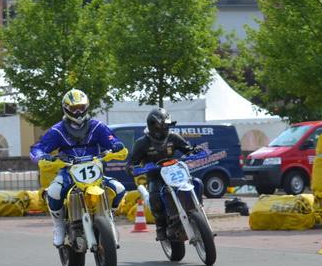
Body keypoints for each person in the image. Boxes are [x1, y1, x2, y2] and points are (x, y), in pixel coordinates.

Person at [30, 88, 127, 247]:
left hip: (95, 171)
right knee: (54, 192)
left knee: (119, 189)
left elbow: (112, 140)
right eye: (74, 108)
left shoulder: (97, 126)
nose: (78, 112)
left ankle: (108, 214)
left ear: (87, 107)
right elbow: (38, 148)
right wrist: (41, 156)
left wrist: (116, 145)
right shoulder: (57, 130)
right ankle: (59, 226)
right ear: (66, 108)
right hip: (68, 171)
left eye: (81, 107)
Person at [127, 108, 201, 242]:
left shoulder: (173, 137)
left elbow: (187, 149)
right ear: (154, 125)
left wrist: (194, 151)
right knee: (155, 196)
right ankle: (161, 226)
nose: (167, 127)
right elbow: (132, 162)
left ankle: (197, 209)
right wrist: (132, 168)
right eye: (164, 125)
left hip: (175, 173)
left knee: (197, 183)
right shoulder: (142, 143)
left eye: (168, 125)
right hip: (156, 176)